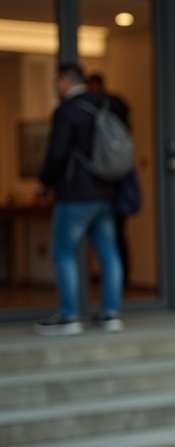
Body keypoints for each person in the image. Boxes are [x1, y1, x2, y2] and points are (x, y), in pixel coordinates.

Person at [35, 62, 125, 336]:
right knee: (109, 253)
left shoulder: (67, 110)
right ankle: (110, 315)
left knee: (64, 251)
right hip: (105, 191)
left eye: (56, 82)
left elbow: (57, 152)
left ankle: (70, 316)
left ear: (64, 82)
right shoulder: (108, 104)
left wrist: (45, 182)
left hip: (75, 194)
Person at [87, 73, 140, 288]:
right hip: (110, 185)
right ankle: (117, 286)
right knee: (113, 239)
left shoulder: (106, 109)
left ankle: (121, 283)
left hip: (110, 186)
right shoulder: (114, 110)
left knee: (115, 238)